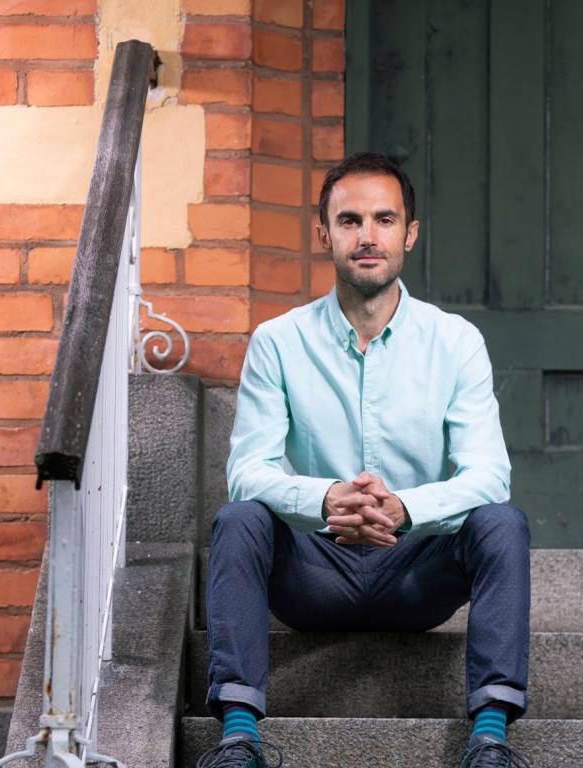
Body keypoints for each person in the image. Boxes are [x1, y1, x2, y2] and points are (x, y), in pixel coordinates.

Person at [196, 153, 532, 768]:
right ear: (324, 233)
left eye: (384, 219)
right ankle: (239, 738)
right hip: (313, 571)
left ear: (410, 232)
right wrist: (323, 500)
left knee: (501, 522)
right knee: (239, 517)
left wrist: (405, 509)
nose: (368, 236)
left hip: (415, 574)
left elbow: (490, 475)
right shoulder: (279, 341)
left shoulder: (455, 342)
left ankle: (490, 739)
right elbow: (248, 469)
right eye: (350, 221)